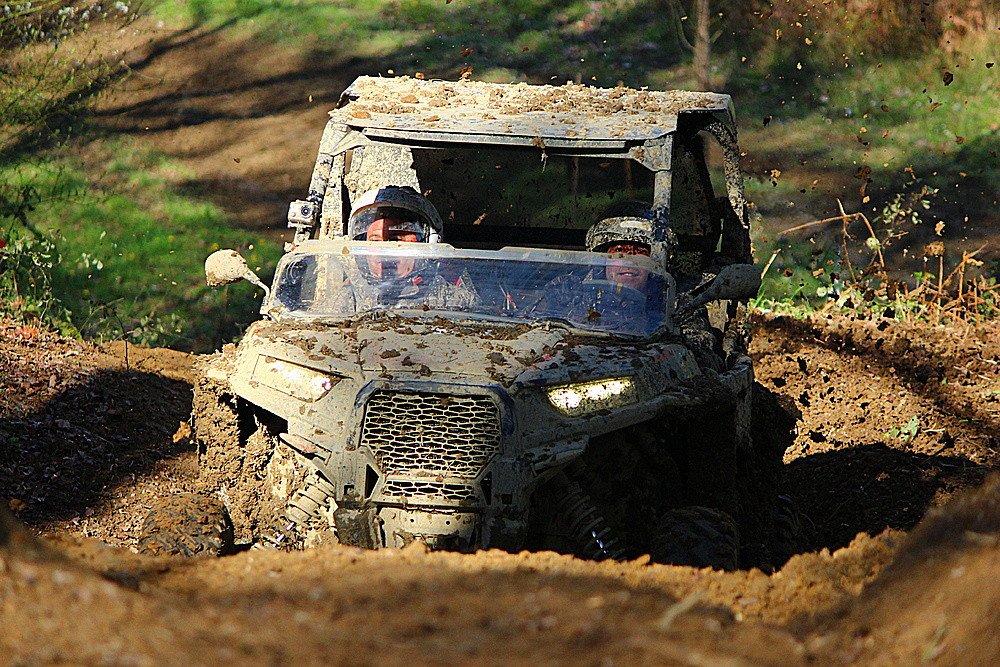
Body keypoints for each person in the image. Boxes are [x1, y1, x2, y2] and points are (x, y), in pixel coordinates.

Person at [336, 186, 478, 311]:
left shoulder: (451, 300)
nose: (383, 252)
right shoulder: (348, 301)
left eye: (395, 240)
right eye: (374, 241)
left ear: (428, 244)